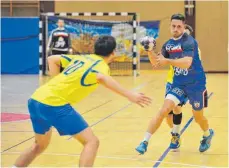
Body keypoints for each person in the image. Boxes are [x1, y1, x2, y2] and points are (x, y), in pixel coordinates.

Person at [13, 35, 151, 167]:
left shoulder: (83, 58)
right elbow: (102, 78)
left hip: (36, 99)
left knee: (39, 146)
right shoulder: (102, 66)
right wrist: (130, 95)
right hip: (54, 104)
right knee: (91, 142)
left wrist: (56, 81)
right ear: (113, 52)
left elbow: (52, 59)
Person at [136, 13, 214, 155]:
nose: (176, 29)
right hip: (178, 84)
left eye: (179, 26)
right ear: (170, 27)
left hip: (196, 84)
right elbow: (156, 63)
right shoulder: (168, 45)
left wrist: (168, 61)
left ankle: (207, 133)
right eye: (173, 26)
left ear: (184, 27)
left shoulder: (190, 42)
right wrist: (149, 51)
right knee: (164, 110)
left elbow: (187, 63)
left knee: (198, 117)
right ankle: (145, 141)